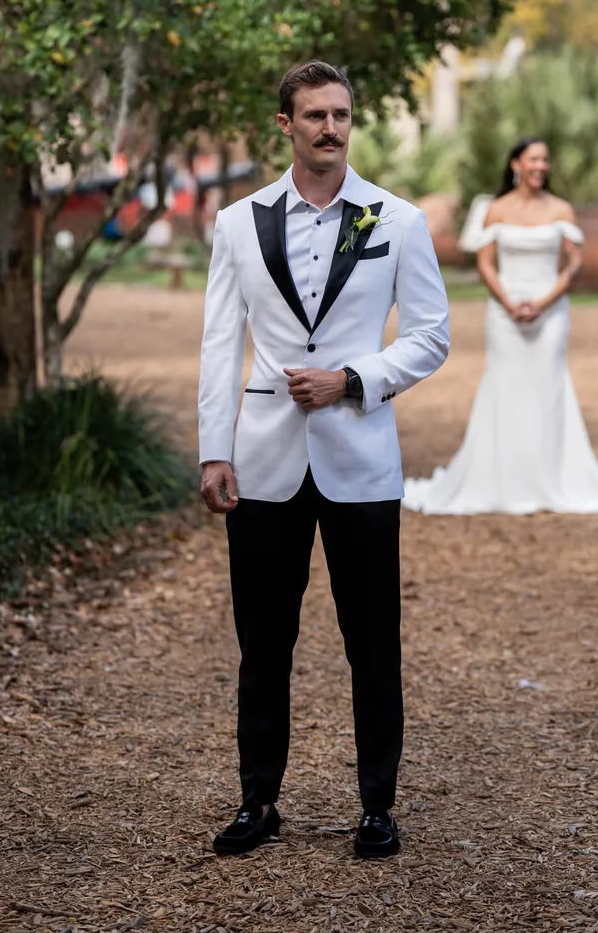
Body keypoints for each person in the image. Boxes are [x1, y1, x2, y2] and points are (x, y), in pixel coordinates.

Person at [198, 60, 449, 859]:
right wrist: (214, 449)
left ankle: (378, 808)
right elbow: (217, 345)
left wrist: (355, 378)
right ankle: (258, 803)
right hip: (264, 460)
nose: (330, 128)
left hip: (361, 461)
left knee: (372, 643)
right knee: (262, 643)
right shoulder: (238, 223)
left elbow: (431, 336)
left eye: (341, 114)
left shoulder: (396, 220)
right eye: (314, 115)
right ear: (286, 124)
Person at [403, 138, 598, 516]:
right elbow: (486, 263)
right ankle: (502, 478)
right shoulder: (496, 210)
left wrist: (544, 301)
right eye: (534, 159)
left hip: (551, 311)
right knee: (505, 384)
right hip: (504, 313)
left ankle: (552, 476)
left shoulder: (561, 209)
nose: (541, 166)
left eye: (545, 160)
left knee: (548, 384)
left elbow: (574, 263)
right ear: (516, 164)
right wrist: (508, 302)